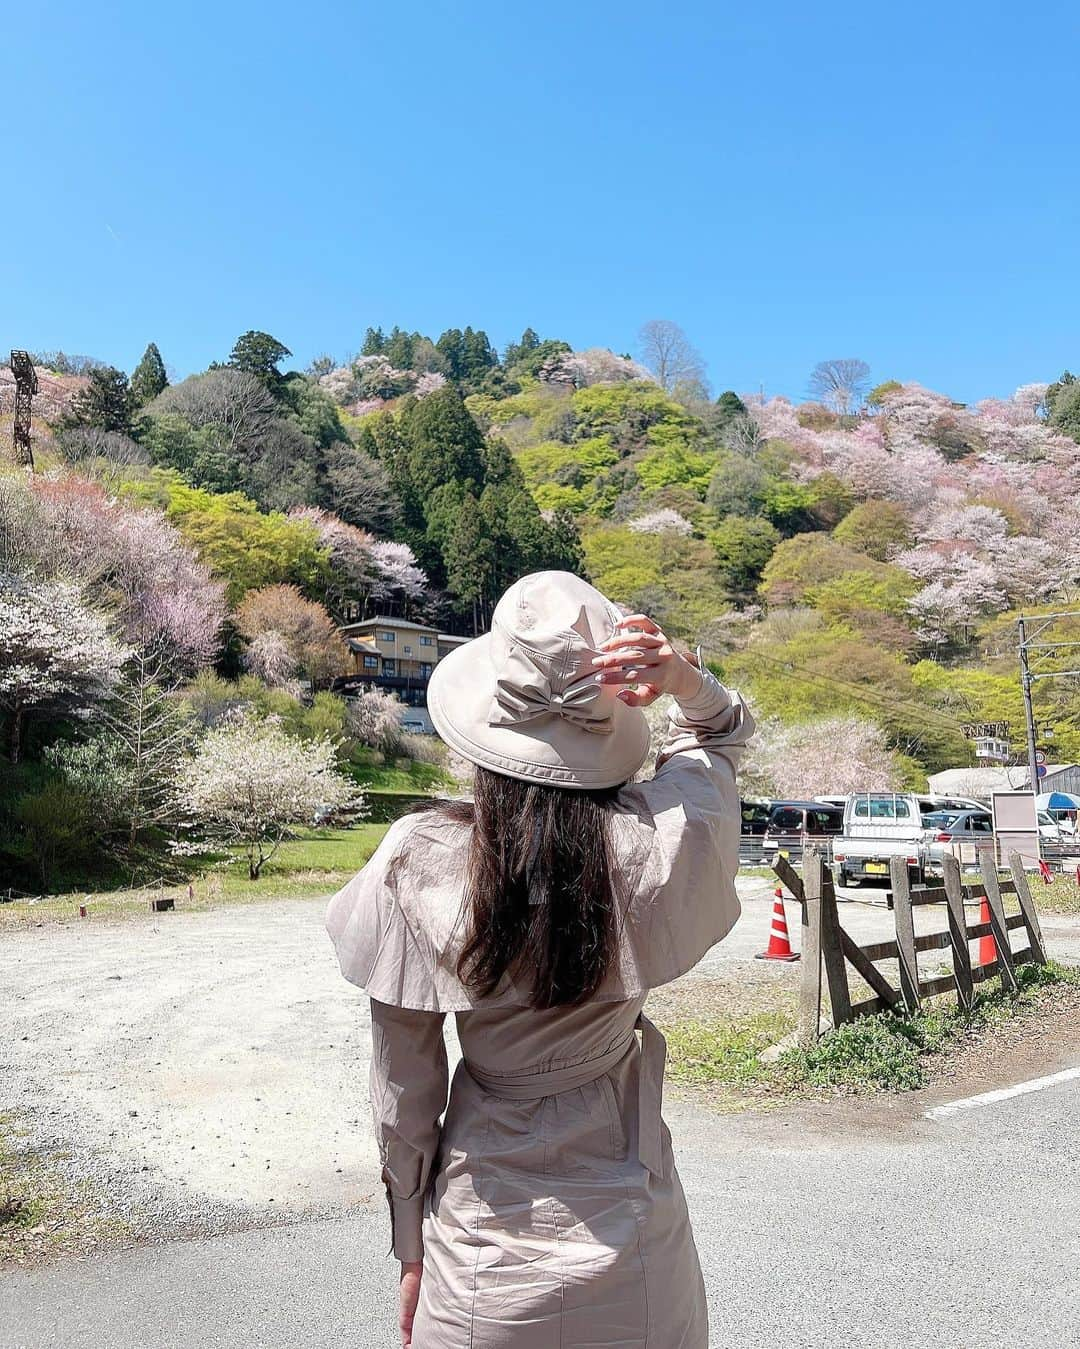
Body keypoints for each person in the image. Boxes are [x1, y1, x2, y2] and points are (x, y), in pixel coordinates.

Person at [326, 571, 754, 1348]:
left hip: (485, 1252)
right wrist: (685, 677)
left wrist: (409, 1243)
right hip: (638, 1248)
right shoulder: (656, 843)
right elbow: (720, 734)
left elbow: (404, 1093)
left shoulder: (417, 859)